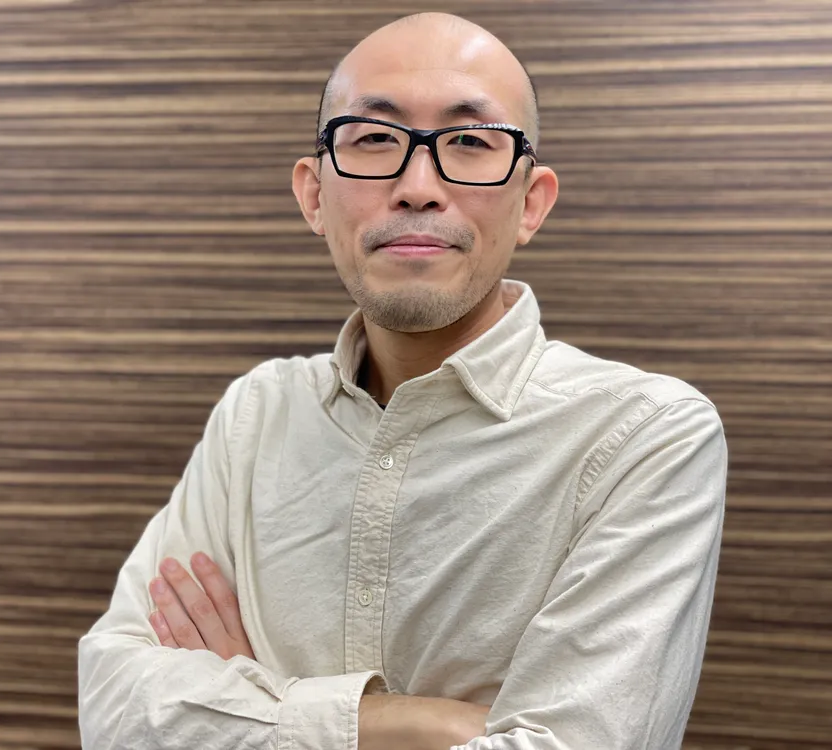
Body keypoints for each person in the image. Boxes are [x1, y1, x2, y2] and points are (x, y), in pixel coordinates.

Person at [78, 12, 727, 750]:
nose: (418, 187)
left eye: (471, 143)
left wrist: (252, 708)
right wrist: (419, 723)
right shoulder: (256, 413)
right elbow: (114, 709)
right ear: (313, 195)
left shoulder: (645, 436)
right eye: (374, 140)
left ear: (531, 203)